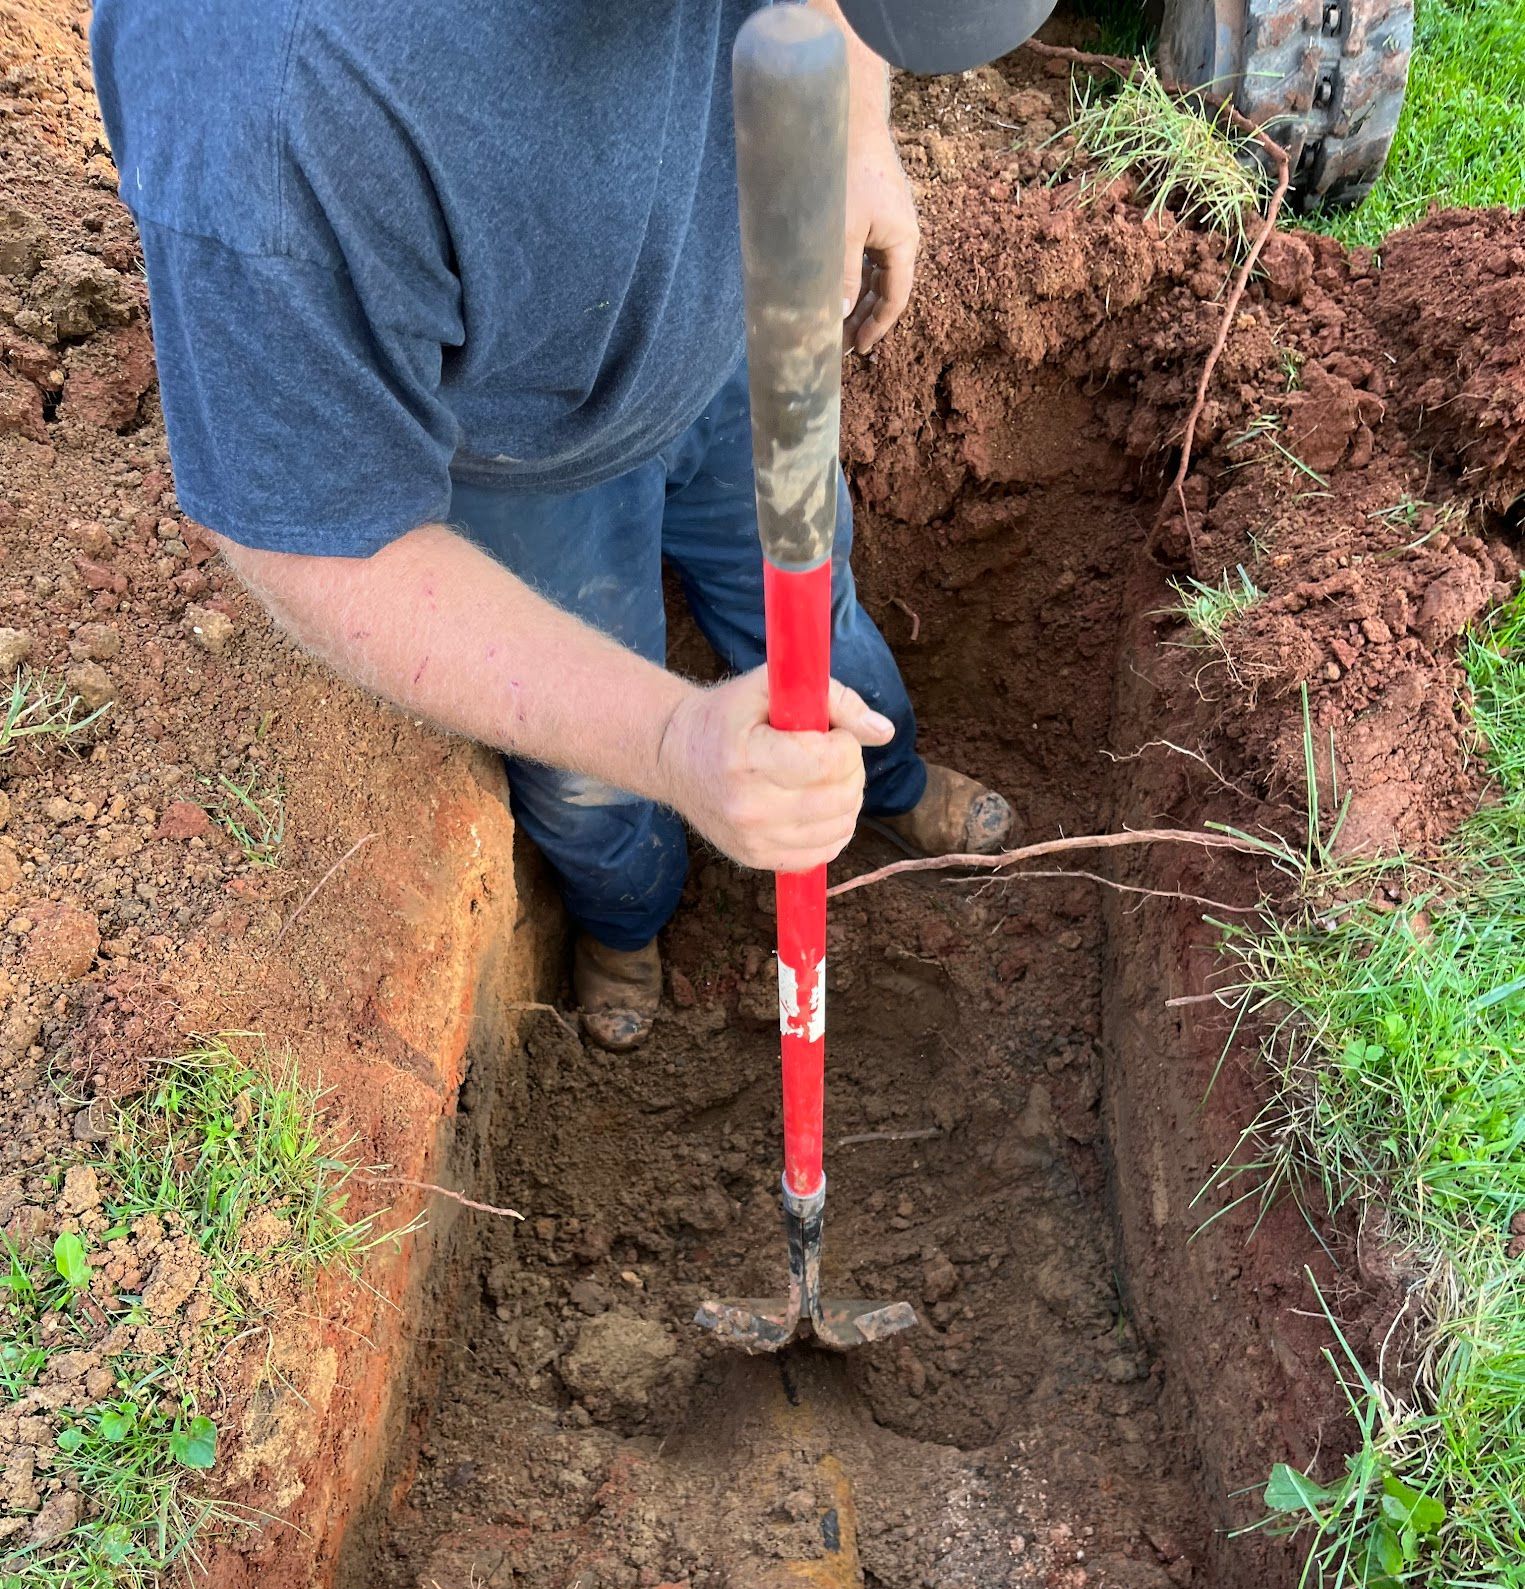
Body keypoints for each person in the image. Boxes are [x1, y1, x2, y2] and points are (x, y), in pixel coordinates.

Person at [90, 0, 1050, 1051]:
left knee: (819, 632)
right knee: (595, 785)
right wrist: (677, 742)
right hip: (522, 455)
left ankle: (889, 788)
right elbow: (322, 536)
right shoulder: (267, 88)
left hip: (749, 327)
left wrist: (854, 124)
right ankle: (626, 923)